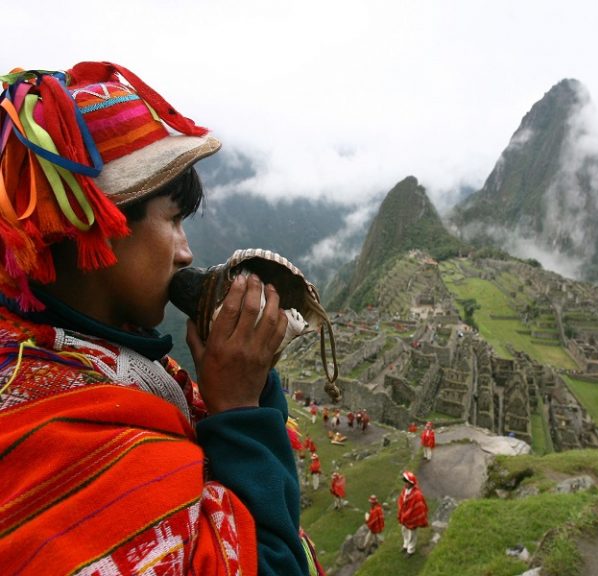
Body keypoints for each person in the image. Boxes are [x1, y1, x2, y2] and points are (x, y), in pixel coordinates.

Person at [0, 62, 320, 575]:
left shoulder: (73, 358)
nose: (187, 252)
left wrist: (248, 384)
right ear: (102, 226)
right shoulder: (68, 445)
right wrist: (240, 410)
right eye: (172, 220)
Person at [397, 471, 429, 556]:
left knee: (412, 534)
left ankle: (411, 550)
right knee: (404, 531)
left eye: (406, 481)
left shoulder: (417, 495)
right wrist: (403, 513)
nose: (405, 483)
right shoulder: (405, 490)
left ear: (411, 483)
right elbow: (402, 501)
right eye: (404, 481)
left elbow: (419, 508)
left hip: (412, 518)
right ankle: (405, 545)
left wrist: (412, 516)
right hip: (405, 517)